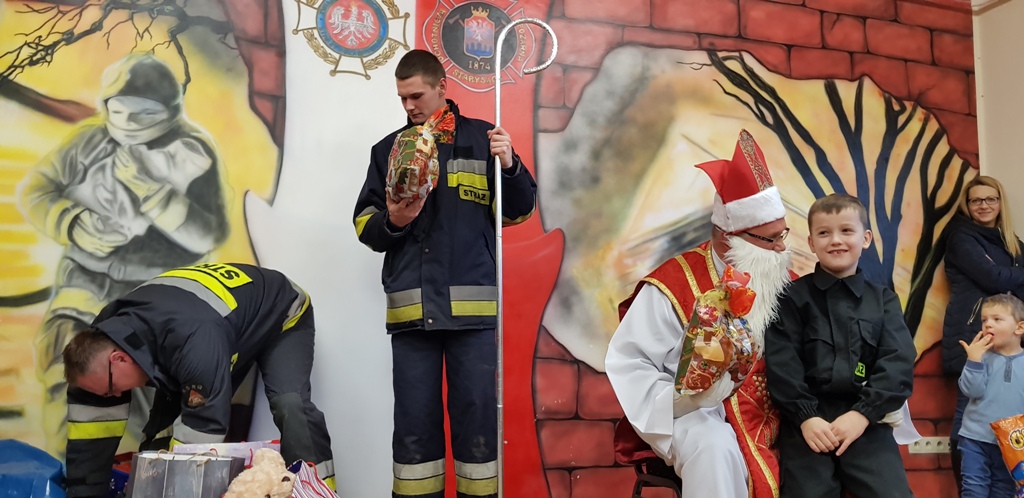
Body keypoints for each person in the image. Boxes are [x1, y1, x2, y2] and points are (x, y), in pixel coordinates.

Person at [16, 54, 229, 455]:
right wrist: (73, 222)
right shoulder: (89, 141)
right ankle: (69, 467)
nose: (129, 122)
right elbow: (36, 190)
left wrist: (156, 195)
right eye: (119, 111)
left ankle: (129, 470)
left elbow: (209, 232)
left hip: (153, 289)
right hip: (85, 279)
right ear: (106, 107)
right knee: (67, 368)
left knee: (140, 387)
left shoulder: (189, 150)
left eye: (144, 113)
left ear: (169, 111)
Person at [352, 49, 536, 498]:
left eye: (416, 95)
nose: (409, 106)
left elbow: (519, 211)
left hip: (472, 318)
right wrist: (394, 220)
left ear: (442, 88)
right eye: (402, 98)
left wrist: (509, 166)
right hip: (412, 315)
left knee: (477, 425)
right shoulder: (388, 150)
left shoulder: (483, 141)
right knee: (414, 429)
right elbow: (364, 225)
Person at [606, 129, 793, 498]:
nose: (782, 249)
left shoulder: (782, 279)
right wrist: (686, 398)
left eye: (783, 234)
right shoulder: (672, 284)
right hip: (694, 413)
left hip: (773, 412)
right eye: (770, 239)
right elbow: (632, 363)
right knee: (713, 447)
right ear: (727, 238)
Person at [60, 263, 334, 498]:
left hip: (282, 313)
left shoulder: (195, 344)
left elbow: (200, 437)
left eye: (110, 390)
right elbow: (92, 427)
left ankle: (320, 491)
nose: (112, 396)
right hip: (217, 327)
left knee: (290, 404)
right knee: (162, 437)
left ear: (120, 358)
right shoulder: (99, 342)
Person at [764, 194, 915, 498]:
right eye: (824, 233)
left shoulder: (883, 300)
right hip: (808, 423)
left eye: (846, 230)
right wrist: (806, 416)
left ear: (865, 238)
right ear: (811, 242)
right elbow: (782, 364)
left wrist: (863, 414)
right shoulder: (791, 298)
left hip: (865, 419)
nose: (836, 240)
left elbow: (898, 362)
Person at [941, 175, 1024, 492]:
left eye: (991, 198)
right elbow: (993, 278)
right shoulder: (961, 237)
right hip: (975, 338)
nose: (984, 205)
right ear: (967, 205)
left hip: (1009, 342)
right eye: (976, 200)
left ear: (1000, 202)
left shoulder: (1010, 241)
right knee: (968, 418)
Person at [956, 293, 1024, 498]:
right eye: (984, 320)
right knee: (973, 488)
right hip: (975, 438)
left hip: (1013, 442)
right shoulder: (980, 357)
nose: (988, 325)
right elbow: (971, 390)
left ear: (1019, 328)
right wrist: (974, 361)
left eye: (997, 319)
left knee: (1003, 491)